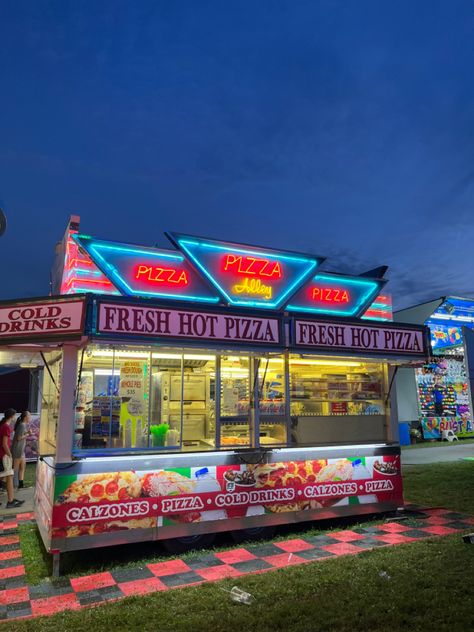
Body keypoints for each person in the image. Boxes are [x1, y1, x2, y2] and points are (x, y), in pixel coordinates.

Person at [0, 408, 25, 508]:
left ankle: (11, 500)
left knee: (4, 476)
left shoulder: (2, 426)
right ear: (11, 416)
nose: (15, 418)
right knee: (9, 476)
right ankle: (10, 501)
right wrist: (10, 454)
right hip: (4, 455)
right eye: (14, 416)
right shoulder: (6, 427)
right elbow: (4, 444)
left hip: (1, 455)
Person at [12, 410, 30, 489]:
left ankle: (21, 485)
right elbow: (19, 438)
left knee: (22, 467)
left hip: (21, 450)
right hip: (17, 450)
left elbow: (22, 435)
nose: (30, 417)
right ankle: (13, 485)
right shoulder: (22, 425)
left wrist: (27, 433)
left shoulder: (23, 425)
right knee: (15, 469)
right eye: (29, 416)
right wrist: (27, 434)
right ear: (26, 417)